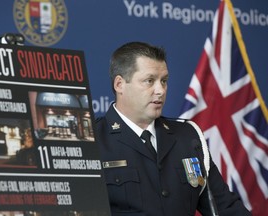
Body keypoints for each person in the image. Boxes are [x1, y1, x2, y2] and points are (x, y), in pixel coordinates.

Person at [95, 42, 251, 215]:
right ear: (119, 84)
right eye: (149, 81)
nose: (160, 90)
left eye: (164, 81)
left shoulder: (188, 137)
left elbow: (225, 207)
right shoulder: (93, 140)